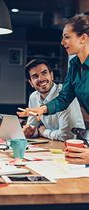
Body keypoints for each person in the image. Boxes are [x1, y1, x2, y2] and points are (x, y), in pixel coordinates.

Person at [17, 14, 89, 164]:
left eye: (67, 37)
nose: (62, 42)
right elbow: (64, 98)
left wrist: (43, 130)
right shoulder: (74, 65)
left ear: (83, 38)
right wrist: (41, 110)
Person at [23, 59, 85, 141]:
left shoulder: (65, 95)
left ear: (51, 75)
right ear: (31, 83)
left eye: (44, 73)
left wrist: (44, 132)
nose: (41, 79)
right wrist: (30, 132)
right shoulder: (33, 97)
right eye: (35, 77)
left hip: (77, 145)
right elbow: (33, 128)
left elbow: (67, 136)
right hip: (52, 144)